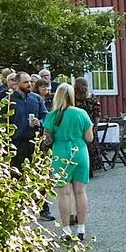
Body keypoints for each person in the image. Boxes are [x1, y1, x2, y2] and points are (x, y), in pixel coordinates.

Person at [43, 83, 94, 238]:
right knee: (80, 191)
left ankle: (66, 230)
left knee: (64, 194)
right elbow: (89, 138)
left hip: (60, 152)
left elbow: (47, 140)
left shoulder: (52, 115)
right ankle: (81, 228)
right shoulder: (81, 113)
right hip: (79, 151)